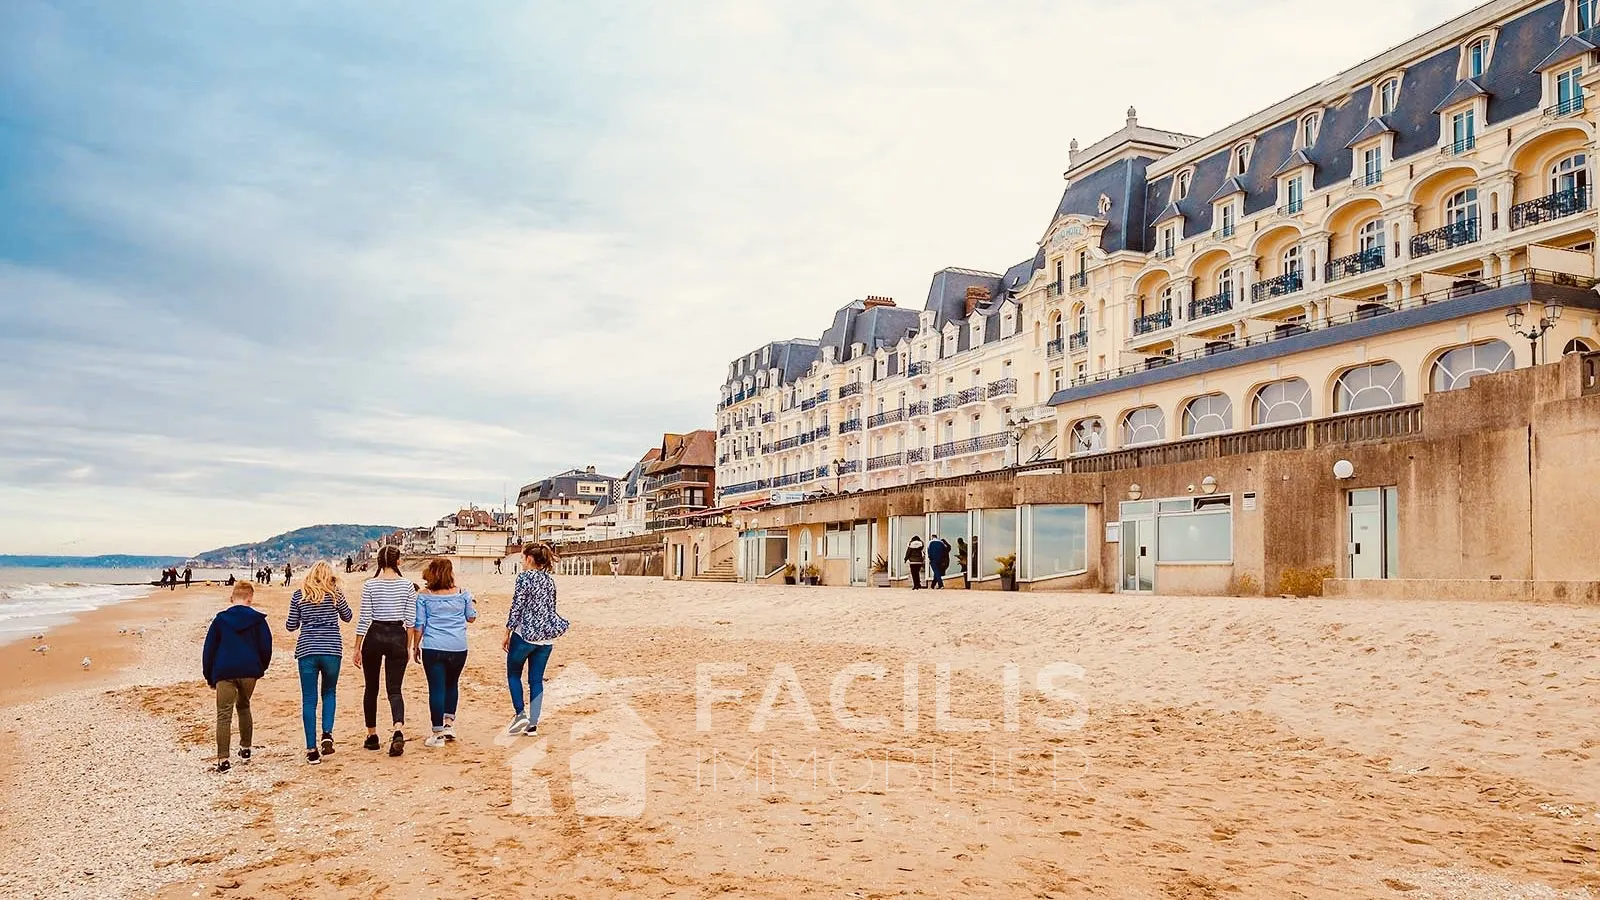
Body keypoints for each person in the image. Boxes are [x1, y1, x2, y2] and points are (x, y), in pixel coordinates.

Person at [285, 562, 352, 764]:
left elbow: (290, 626)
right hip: (332, 649)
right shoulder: (335, 594)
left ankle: (311, 750)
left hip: (307, 650)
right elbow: (348, 617)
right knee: (329, 692)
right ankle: (327, 734)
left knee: (309, 699)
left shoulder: (299, 595)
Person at [202, 582, 272, 773]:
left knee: (224, 714)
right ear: (250, 598)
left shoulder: (220, 620)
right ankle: (246, 748)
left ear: (232, 598)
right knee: (244, 706)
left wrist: (209, 675)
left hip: (224, 671)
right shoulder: (258, 620)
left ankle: (223, 759)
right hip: (249, 670)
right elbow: (266, 646)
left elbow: (209, 649)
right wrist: (260, 668)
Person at [356, 546, 416, 757]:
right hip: (397, 635)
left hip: (375, 634)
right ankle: (397, 729)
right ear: (398, 561)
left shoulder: (370, 585)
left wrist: (357, 647)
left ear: (380, 561)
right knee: (395, 689)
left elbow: (364, 618)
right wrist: (407, 646)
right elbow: (411, 621)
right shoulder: (408, 586)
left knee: (371, 688)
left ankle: (372, 736)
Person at [504, 542, 568, 738]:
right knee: (536, 680)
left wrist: (507, 632)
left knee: (514, 675)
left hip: (525, 634)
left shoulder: (524, 578)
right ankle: (533, 724)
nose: (522, 562)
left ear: (529, 559)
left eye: (523, 558)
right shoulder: (550, 580)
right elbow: (551, 607)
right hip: (546, 638)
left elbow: (517, 606)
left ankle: (520, 714)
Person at [413, 558, 477, 748]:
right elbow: (471, 617)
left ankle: (437, 732)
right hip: (458, 647)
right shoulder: (463, 593)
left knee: (436, 688)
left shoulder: (424, 596)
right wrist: (472, 604)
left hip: (433, 646)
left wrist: (415, 646)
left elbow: (420, 625)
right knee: (452, 684)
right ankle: (449, 724)